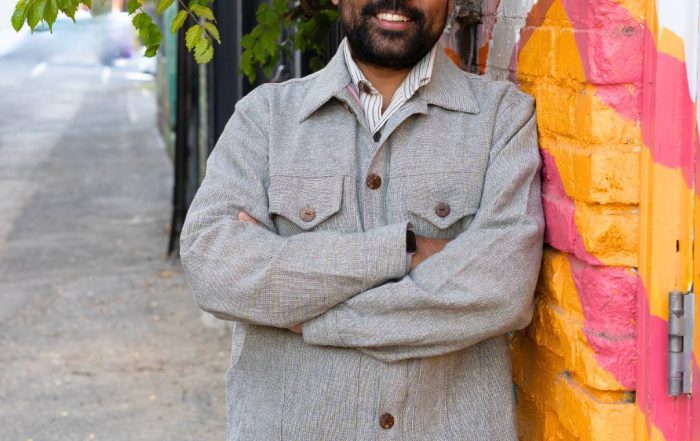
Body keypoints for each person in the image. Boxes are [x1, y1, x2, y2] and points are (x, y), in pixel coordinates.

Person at [179, 0, 544, 439]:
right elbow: (213, 266)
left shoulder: (502, 118)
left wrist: (311, 318)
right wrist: (402, 250)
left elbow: (501, 288)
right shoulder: (265, 118)